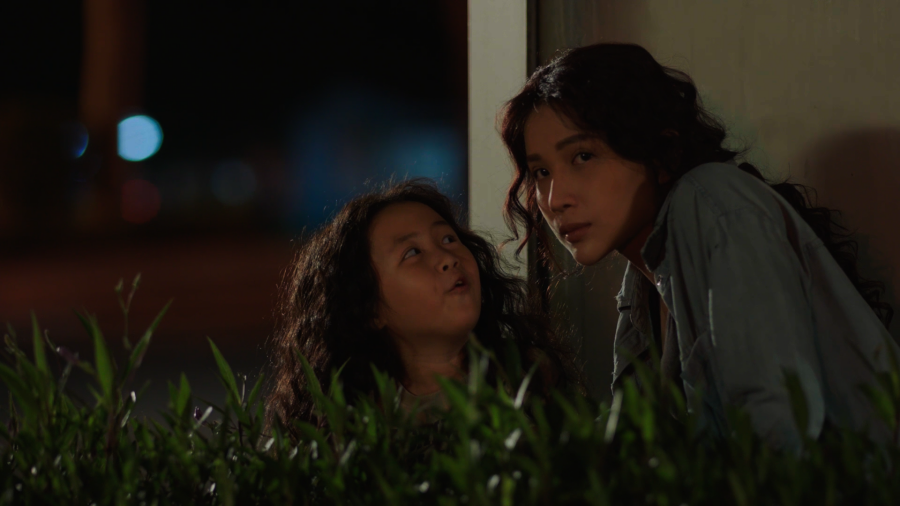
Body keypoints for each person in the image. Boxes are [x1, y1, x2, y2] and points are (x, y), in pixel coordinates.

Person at [500, 42, 897, 450]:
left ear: (664, 153)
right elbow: (638, 441)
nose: (554, 199)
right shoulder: (642, 280)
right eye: (541, 172)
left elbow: (773, 431)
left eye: (583, 156)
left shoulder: (708, 201)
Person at [265, 180, 579, 437]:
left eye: (449, 239)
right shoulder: (349, 422)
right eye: (412, 253)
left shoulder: (528, 376)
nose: (447, 258)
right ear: (369, 309)